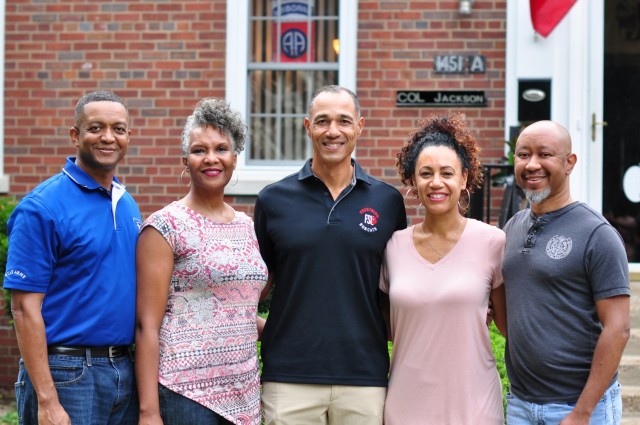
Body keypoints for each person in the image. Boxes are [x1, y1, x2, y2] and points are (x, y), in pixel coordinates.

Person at [253, 85, 407, 424]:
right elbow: (254, 287)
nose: (333, 131)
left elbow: (398, 289)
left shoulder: (387, 201)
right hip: (289, 377)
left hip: (364, 376)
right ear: (308, 127)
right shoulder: (273, 200)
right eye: (322, 121)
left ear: (360, 127)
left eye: (344, 121)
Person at [4, 90, 141, 424]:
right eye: (96, 128)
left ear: (128, 136)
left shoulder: (127, 204)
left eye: (118, 129)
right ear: (75, 135)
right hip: (66, 373)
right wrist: (47, 400)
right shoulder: (42, 208)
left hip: (123, 369)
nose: (108, 137)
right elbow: (24, 309)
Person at [135, 98, 267, 425]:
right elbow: (146, 326)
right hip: (187, 395)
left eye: (221, 148)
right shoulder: (165, 226)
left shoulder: (247, 226)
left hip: (244, 395)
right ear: (185, 160)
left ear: (235, 158)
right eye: (199, 150)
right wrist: (149, 412)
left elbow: (238, 310)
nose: (211, 158)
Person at [380, 113, 507, 425]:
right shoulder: (393, 247)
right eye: (426, 173)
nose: (436, 182)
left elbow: (511, 328)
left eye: (446, 173)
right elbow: (385, 325)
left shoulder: (492, 242)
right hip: (406, 405)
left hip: (474, 405)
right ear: (413, 181)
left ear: (464, 178)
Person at [502, 120, 630, 424]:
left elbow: (618, 329)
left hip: (581, 407)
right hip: (521, 403)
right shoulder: (511, 228)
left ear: (569, 162)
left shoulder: (597, 233)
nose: (532, 164)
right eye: (523, 155)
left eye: (544, 154)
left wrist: (581, 413)